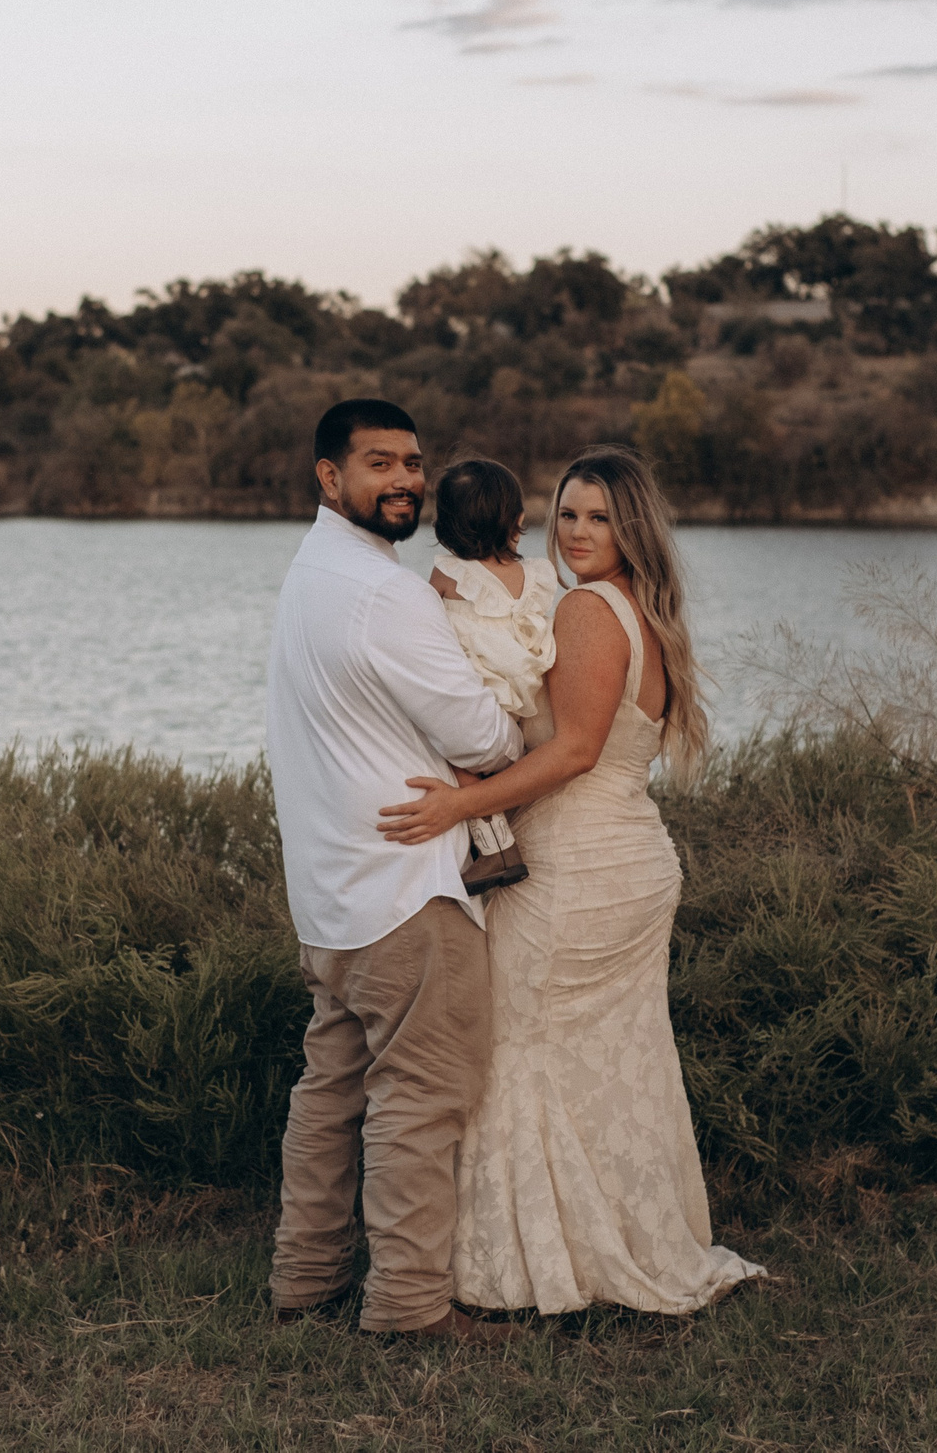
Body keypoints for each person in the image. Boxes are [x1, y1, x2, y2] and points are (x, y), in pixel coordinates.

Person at [380, 445, 764, 1316]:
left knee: (517, 1051)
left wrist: (460, 802)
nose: (580, 531)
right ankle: (613, 1244)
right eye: (569, 512)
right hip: (625, 854)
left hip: (580, 869)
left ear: (632, 528)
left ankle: (535, 1265)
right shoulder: (638, 609)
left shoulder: (590, 609)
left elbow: (575, 750)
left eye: (600, 516)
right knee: (610, 1064)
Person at [262, 398, 527, 1344]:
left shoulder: (310, 573)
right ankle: (410, 1309)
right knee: (421, 1098)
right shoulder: (388, 592)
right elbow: (487, 736)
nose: (406, 480)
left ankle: (305, 1277)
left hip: (330, 894)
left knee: (332, 1089)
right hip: (406, 888)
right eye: (379, 464)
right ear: (330, 477)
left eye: (413, 463)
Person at [425, 459, 560, 891]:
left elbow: (422, 628)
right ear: (517, 520)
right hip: (527, 697)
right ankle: (498, 840)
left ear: (445, 525)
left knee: (449, 748)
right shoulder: (537, 573)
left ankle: (496, 847)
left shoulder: (449, 572)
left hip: (484, 693)